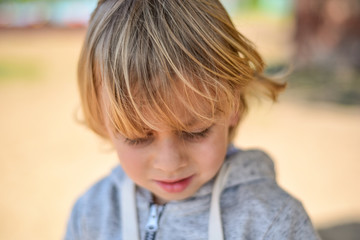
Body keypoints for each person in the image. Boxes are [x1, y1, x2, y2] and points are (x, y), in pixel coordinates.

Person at [65, 0, 320, 239]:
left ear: (232, 105)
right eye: (138, 138)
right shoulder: (91, 214)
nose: (169, 164)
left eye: (196, 131)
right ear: (102, 117)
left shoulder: (272, 222)